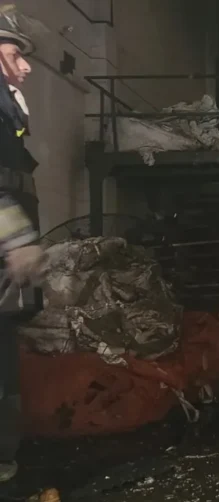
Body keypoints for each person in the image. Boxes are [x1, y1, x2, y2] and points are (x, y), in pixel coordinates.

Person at [0, 7, 47, 482]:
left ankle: (4, 463)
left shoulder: (8, 109)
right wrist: (16, 237)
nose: (26, 65)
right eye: (15, 54)